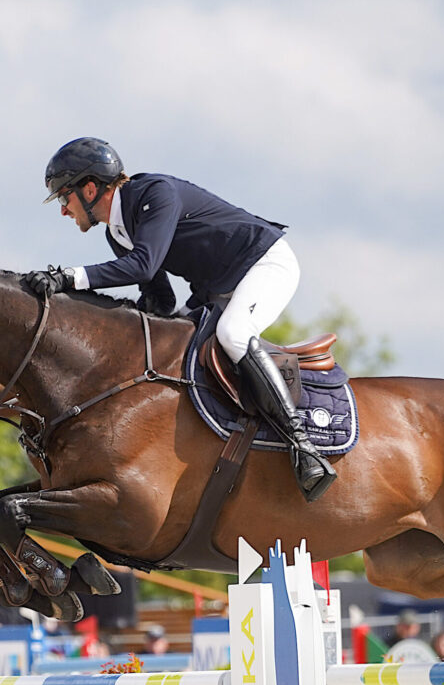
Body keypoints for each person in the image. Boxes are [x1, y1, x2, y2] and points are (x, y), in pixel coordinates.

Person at [32, 137, 335, 501]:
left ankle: (303, 446)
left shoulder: (154, 193)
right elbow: (161, 298)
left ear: (91, 188)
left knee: (234, 334)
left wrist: (68, 277)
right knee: (175, 349)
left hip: (264, 264)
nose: (64, 210)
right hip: (218, 287)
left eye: (65, 198)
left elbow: (142, 265)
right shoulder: (119, 231)